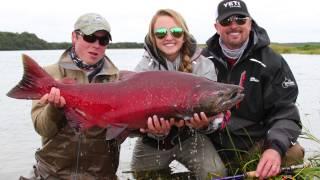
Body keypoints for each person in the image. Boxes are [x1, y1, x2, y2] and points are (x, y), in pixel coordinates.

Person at [201, 0, 305, 179]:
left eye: (240, 20)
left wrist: (274, 148)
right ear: (217, 26)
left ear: (250, 23)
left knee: (293, 152)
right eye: (226, 21)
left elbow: (286, 113)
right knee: (210, 171)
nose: (234, 25)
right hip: (211, 144)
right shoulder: (201, 60)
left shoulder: (272, 62)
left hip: (253, 144)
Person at [20, 13, 120, 180]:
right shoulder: (48, 76)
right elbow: (42, 128)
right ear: (74, 36)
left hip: (100, 176)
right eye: (89, 37)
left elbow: (122, 132)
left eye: (103, 41)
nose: (96, 45)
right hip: (51, 174)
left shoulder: (118, 81)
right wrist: (54, 109)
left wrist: (156, 131)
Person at [131, 9, 227, 179]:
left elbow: (217, 118)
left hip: (192, 137)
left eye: (175, 31)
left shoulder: (204, 66)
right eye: (160, 33)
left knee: (215, 174)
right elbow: (137, 120)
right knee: (141, 176)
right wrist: (156, 132)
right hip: (154, 142)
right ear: (153, 38)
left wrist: (204, 126)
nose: (169, 37)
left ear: (184, 35)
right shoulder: (143, 70)